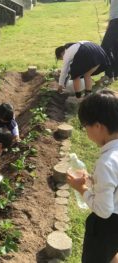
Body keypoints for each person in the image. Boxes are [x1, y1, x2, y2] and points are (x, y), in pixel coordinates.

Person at [67, 90, 118, 263]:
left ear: (98, 126)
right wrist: (93, 179)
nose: (86, 131)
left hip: (107, 226)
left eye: (85, 126)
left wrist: (81, 188)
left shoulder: (107, 162)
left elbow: (104, 211)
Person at [101, 0, 118, 81]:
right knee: (115, 48)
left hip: (116, 21)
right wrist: (109, 22)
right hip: (114, 21)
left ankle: (109, 75)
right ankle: (116, 74)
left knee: (104, 48)